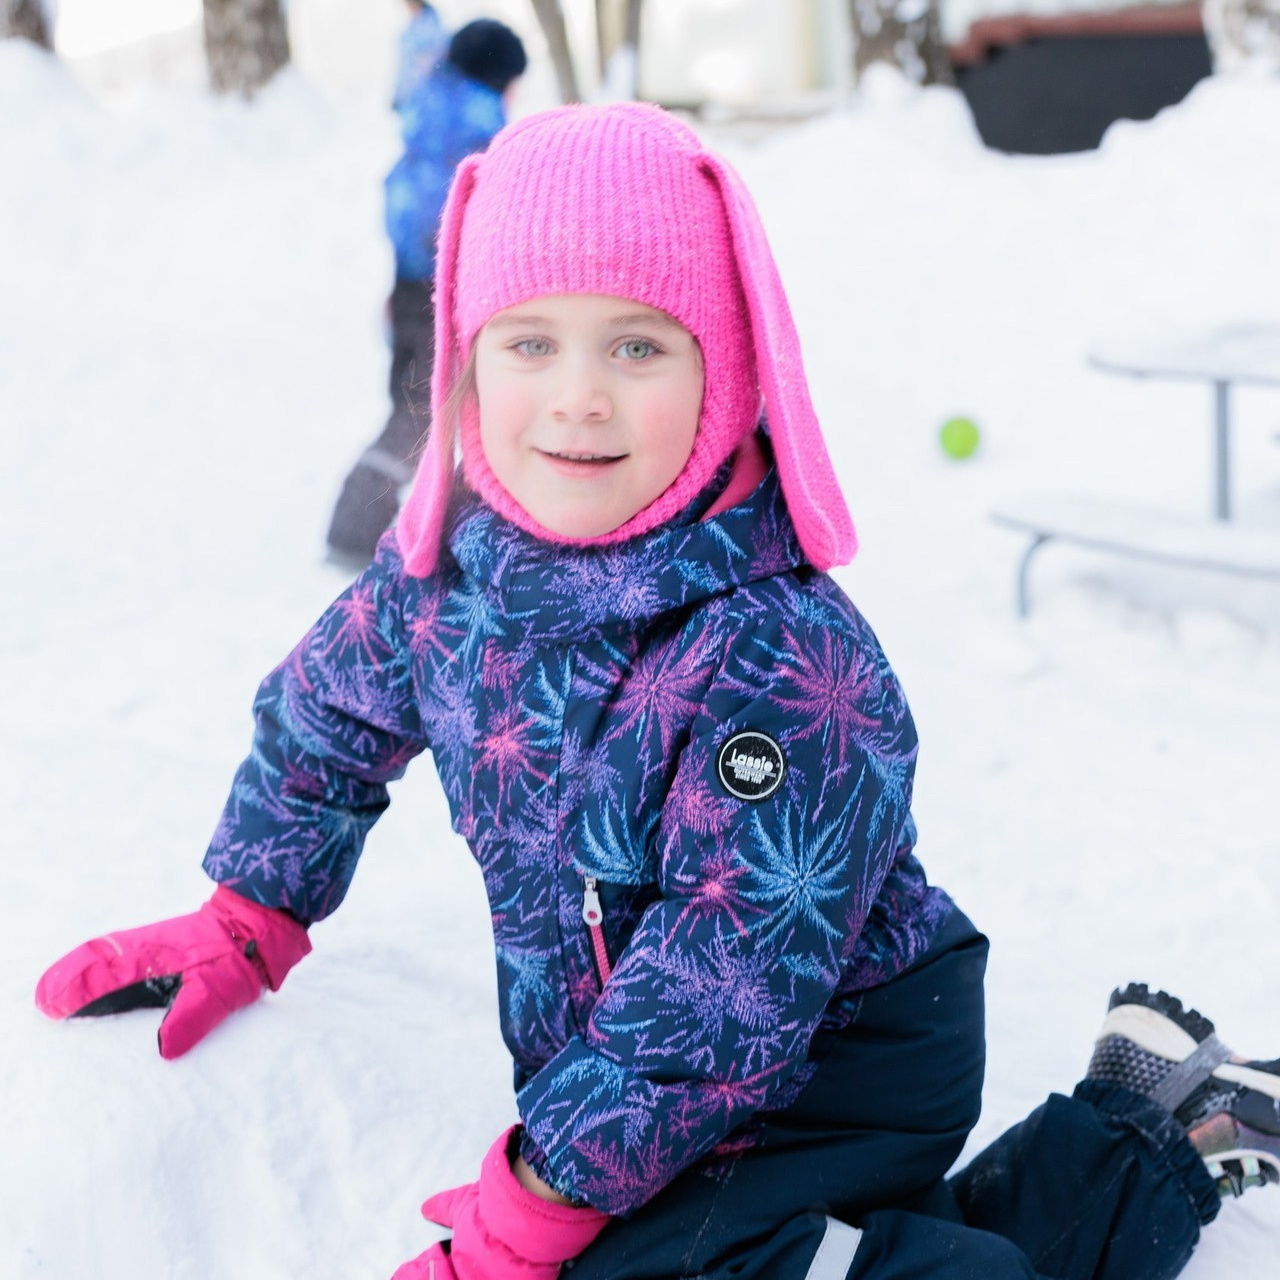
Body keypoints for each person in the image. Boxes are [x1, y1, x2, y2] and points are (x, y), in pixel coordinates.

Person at [34, 105, 1279, 1280]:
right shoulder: (449, 588)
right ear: (464, 366)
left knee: (652, 1262)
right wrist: (253, 908)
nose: (578, 393)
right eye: (529, 342)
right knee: (693, 1236)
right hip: (642, 1051)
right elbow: (322, 720)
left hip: (840, 1047)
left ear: (723, 369)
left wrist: (543, 1192)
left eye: (635, 344)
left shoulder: (778, 655)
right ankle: (1142, 1116)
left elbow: (723, 981)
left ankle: (1130, 1171)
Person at [326, 18, 528, 568]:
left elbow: (404, 207)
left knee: (428, 411)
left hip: (412, 283)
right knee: (420, 416)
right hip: (442, 292)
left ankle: (438, 529)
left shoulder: (428, 118)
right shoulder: (479, 129)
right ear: (496, 76)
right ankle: (352, 526)